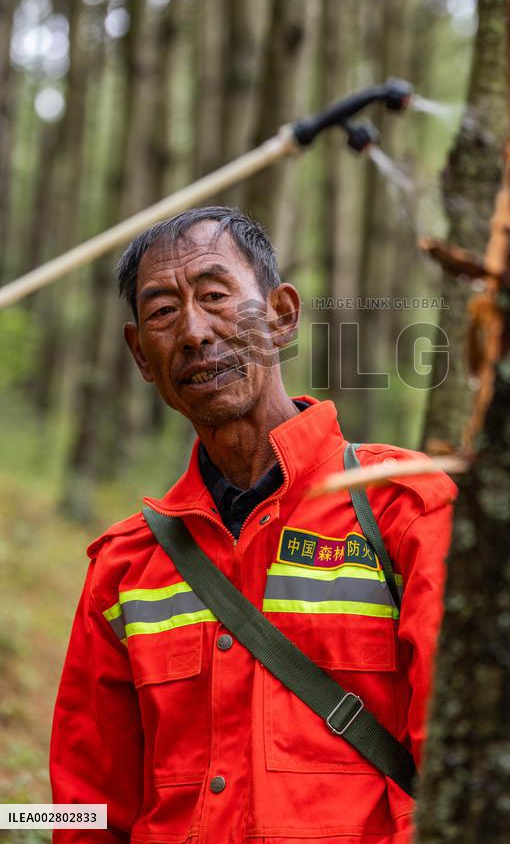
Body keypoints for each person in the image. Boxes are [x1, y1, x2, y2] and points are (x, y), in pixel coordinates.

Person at [50, 206, 457, 844]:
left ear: (280, 316)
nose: (192, 332)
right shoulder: (122, 568)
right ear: (140, 355)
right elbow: (81, 807)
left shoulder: (404, 508)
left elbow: (458, 766)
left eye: (215, 297)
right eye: (162, 312)